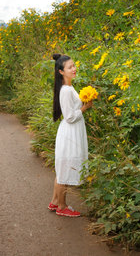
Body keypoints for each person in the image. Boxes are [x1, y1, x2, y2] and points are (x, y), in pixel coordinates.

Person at [48, 53, 93, 217]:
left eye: (74, 65)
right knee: (64, 171)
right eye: (70, 67)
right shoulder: (66, 90)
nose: (74, 69)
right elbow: (70, 116)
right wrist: (85, 107)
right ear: (61, 71)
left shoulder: (68, 87)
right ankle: (62, 206)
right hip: (69, 133)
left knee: (62, 169)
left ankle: (54, 202)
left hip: (70, 132)